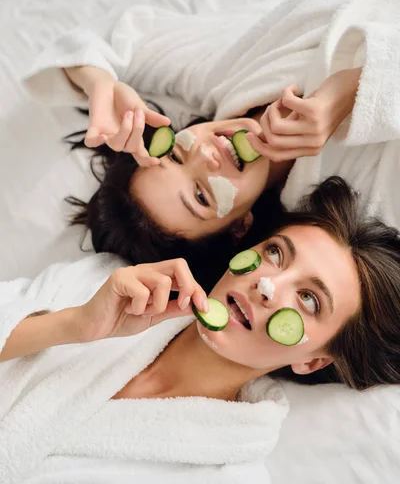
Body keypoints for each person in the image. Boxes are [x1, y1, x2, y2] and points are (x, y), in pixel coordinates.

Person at [23, 0, 400, 268]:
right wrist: (352, 93)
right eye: (202, 195)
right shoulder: (358, 197)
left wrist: (99, 84)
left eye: (175, 156)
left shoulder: (221, 75)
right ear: (240, 226)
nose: (206, 155)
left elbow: (107, 39)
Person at [2, 177, 400, 483]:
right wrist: (72, 325)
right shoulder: (97, 284)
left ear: (312, 361)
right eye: (275, 254)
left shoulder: (227, 473)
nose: (267, 287)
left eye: (309, 299)